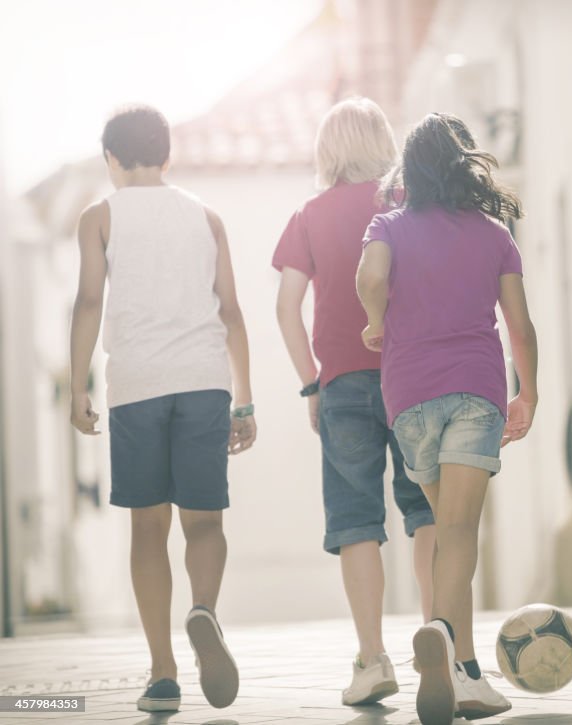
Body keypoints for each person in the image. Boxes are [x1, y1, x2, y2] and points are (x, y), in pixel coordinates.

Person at [69, 105, 256, 712]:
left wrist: (77, 388)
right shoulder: (206, 217)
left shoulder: (99, 217)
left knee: (148, 532)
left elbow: (89, 301)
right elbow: (230, 311)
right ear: (168, 155)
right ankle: (203, 609)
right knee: (205, 523)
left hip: (137, 385)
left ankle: (163, 672)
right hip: (204, 383)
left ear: (111, 160)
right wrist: (244, 398)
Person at [356, 112, 538, 725]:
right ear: (464, 165)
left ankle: (463, 669)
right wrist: (528, 393)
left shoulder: (387, 224)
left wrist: (377, 321)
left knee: (444, 527)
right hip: (474, 393)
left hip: (407, 397)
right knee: (461, 533)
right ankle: (447, 644)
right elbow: (520, 324)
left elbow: (371, 276)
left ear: (411, 170)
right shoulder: (493, 232)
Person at [273, 97, 436, 706]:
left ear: (328, 151)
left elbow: (286, 307)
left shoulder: (309, 215)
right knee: (427, 510)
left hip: (342, 385)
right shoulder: (409, 204)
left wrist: (311, 380)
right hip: (415, 377)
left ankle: (372, 661)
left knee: (356, 522)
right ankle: (437, 635)